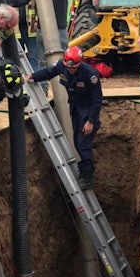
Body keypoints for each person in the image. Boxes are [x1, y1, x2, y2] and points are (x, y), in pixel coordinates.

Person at [25, 46, 102, 191]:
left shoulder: (90, 75)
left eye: (73, 68)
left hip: (88, 111)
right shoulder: (62, 66)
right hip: (75, 108)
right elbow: (49, 72)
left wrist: (91, 121)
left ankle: (88, 177)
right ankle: (84, 171)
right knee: (77, 142)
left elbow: (97, 100)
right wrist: (33, 76)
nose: (70, 70)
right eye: (68, 67)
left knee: (83, 144)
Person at [36, 0, 73, 74]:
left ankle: (64, 84)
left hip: (59, 27)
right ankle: (44, 89)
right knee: (42, 60)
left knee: (64, 58)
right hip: (42, 28)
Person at [8, 0, 38, 71]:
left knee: (33, 57)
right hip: (14, 29)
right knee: (17, 59)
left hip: (31, 28)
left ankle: (36, 82)